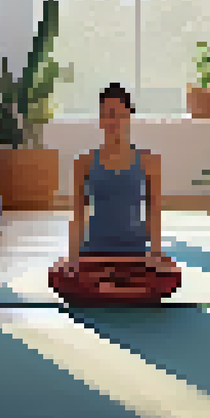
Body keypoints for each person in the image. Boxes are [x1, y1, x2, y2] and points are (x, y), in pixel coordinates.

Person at [48, 83, 181, 304]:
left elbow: (153, 211)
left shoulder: (149, 161)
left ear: (129, 117)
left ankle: (110, 287)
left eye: (120, 115)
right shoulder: (84, 162)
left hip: (135, 254)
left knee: (169, 278)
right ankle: (114, 287)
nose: (114, 122)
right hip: (93, 253)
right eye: (108, 115)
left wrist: (156, 254)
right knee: (59, 276)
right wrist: (72, 258)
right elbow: (78, 214)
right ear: (100, 119)